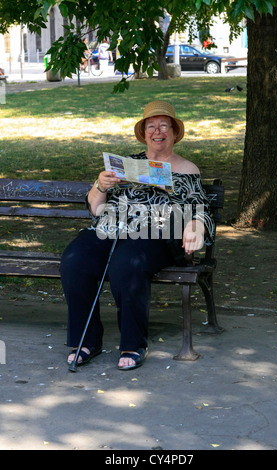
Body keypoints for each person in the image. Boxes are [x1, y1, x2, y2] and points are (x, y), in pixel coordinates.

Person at [60, 101, 215, 371]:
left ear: (174, 132)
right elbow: (96, 208)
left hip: (156, 233)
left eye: (164, 125)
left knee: (127, 263)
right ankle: (85, 340)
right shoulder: (127, 166)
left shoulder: (187, 169)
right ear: (143, 133)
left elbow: (199, 208)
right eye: (151, 126)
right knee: (75, 259)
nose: (157, 131)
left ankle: (133, 344)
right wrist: (100, 184)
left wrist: (195, 228)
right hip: (113, 228)